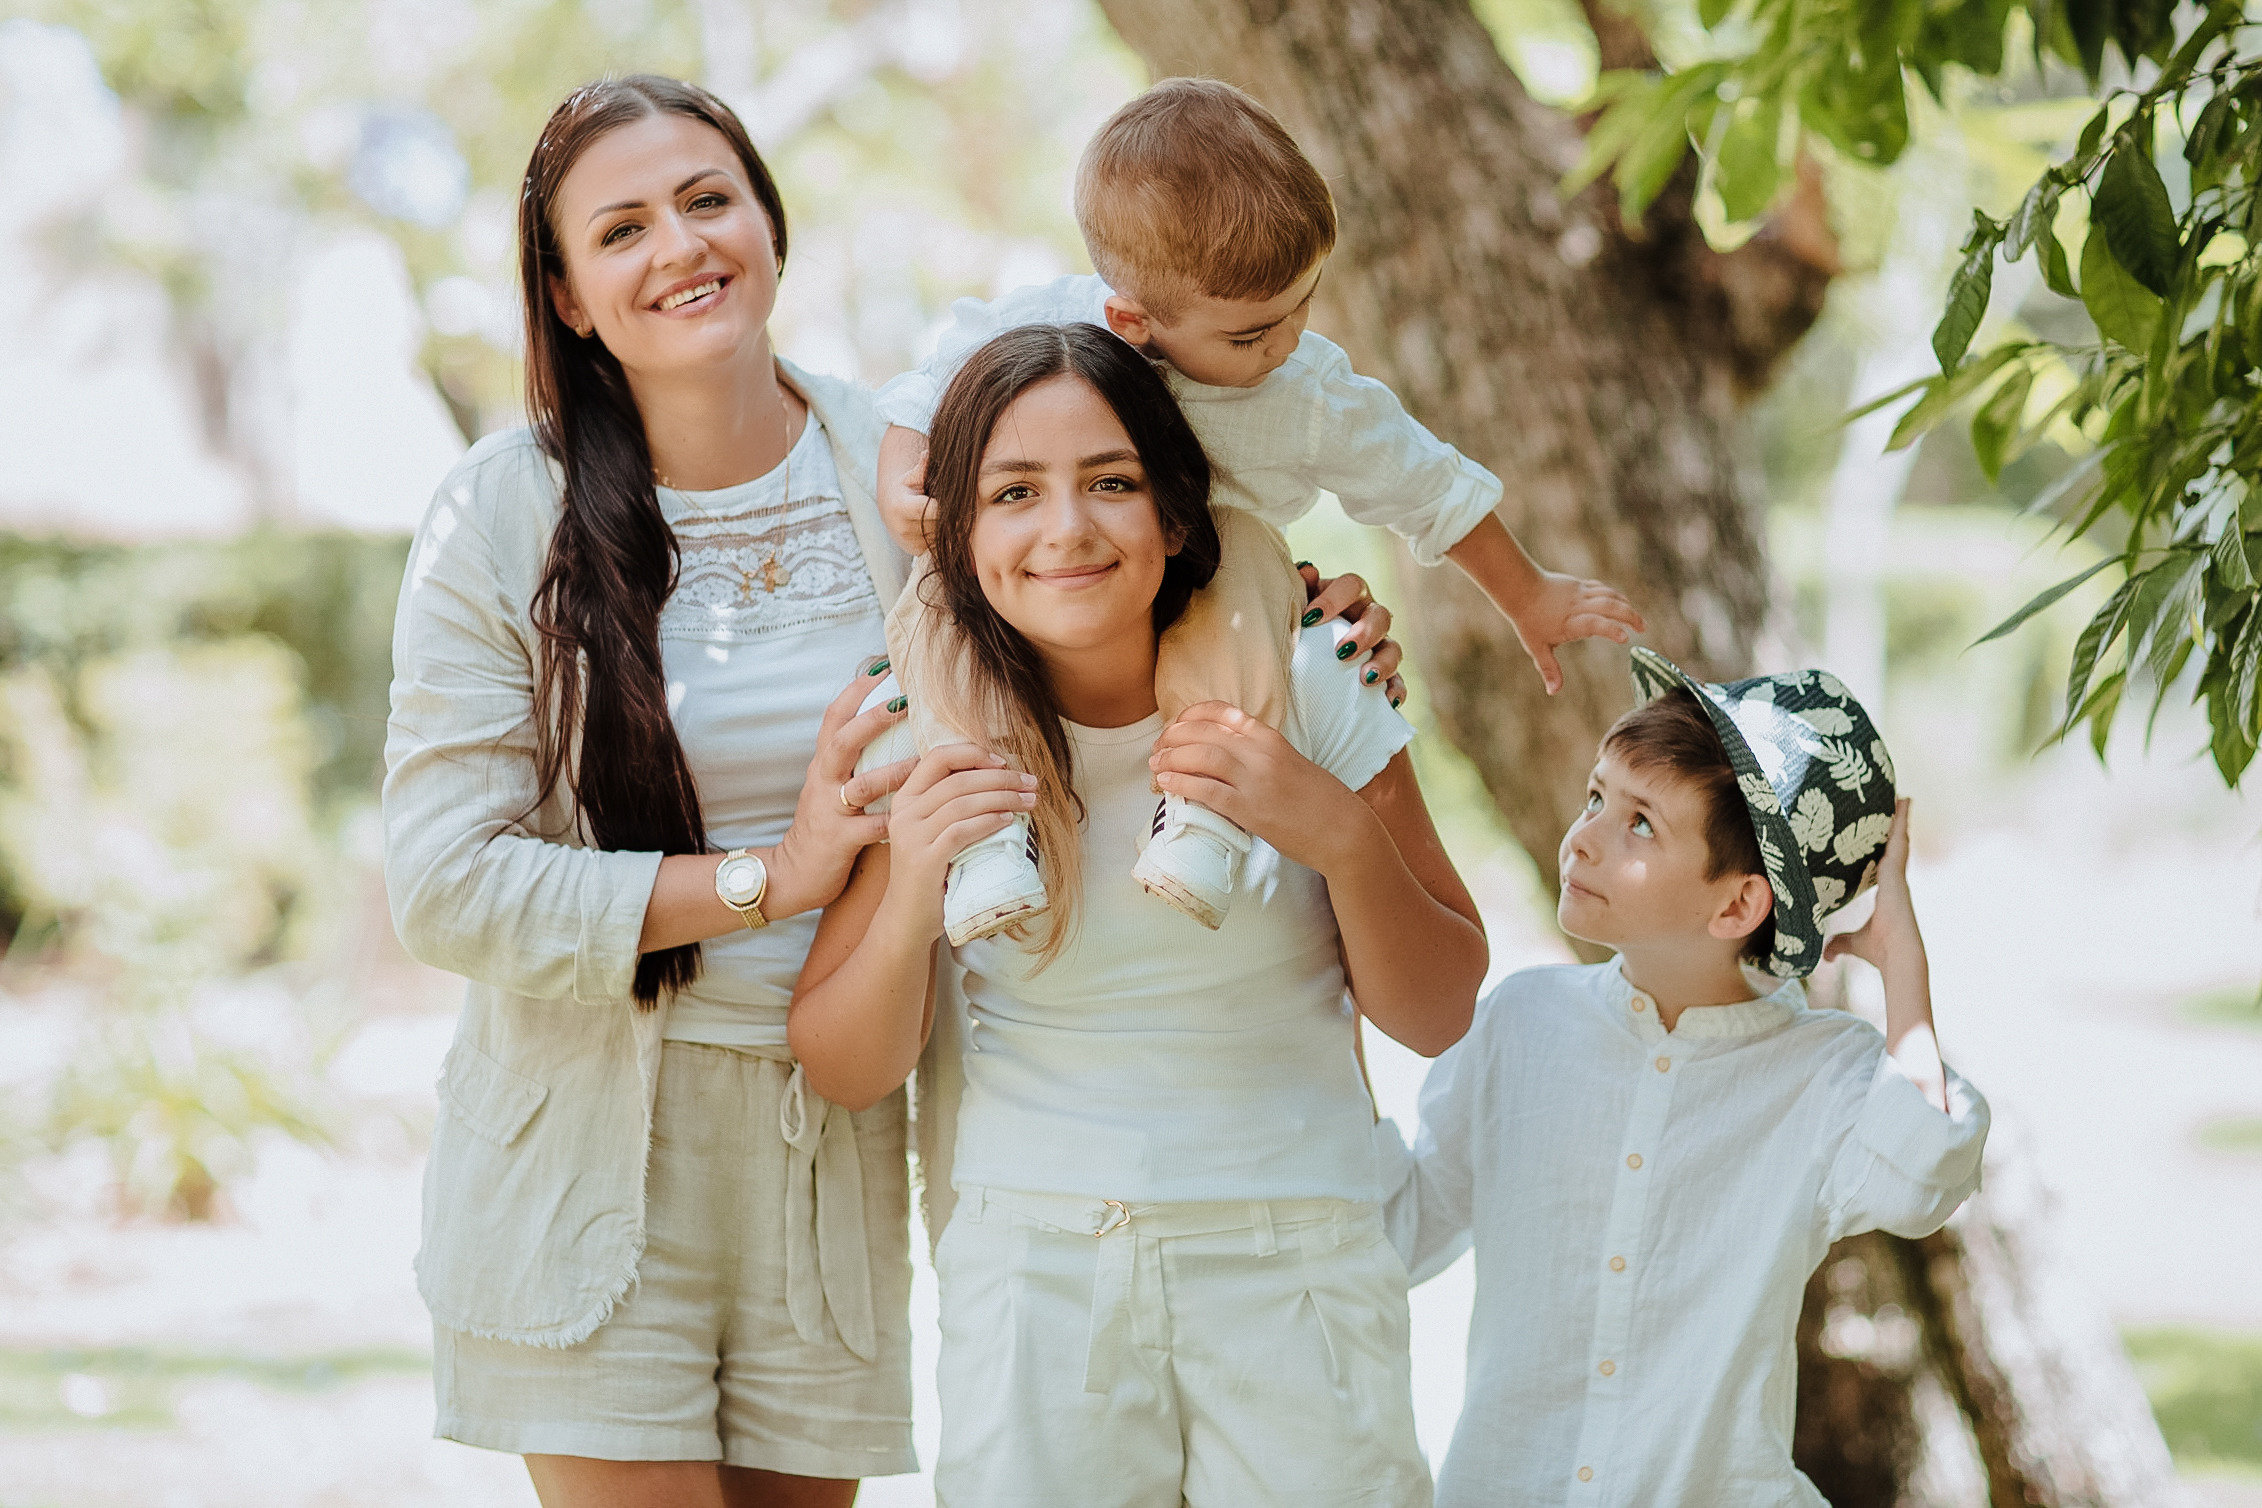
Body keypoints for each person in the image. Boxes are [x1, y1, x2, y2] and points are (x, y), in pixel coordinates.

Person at [791, 323, 1489, 1506]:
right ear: (958, 531)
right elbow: (844, 1064)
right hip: (1039, 1274)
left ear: (1176, 512)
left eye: (1111, 482)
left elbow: (1440, 1008)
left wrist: (1331, 829)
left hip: (1297, 1258)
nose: (1066, 528)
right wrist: (912, 887)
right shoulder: (926, 724)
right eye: (1014, 492)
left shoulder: (1309, 675)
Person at [383, 75, 928, 1508]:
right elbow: (444, 882)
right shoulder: (502, 511)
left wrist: (1307, 621)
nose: (678, 247)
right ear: (565, 296)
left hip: (832, 1141)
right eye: (618, 229)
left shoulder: (907, 471)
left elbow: (1110, 577)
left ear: (767, 222)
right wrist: (775, 877)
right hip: (586, 1147)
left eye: (705, 201)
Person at [867, 77, 1645, 945]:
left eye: (1302, 304)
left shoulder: (1306, 389)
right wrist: (904, 469)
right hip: (1079, 599)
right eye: (1247, 335)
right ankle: (987, 828)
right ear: (1132, 320)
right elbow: (939, 371)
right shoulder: (1062, 327)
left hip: (1214, 575)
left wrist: (1528, 593)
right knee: (936, 597)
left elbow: (1427, 481)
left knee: (1241, 551)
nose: (1283, 344)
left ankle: (1201, 812)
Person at [1377, 649, 1991, 1507]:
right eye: (1597, 797)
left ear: (1738, 906)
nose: (1583, 835)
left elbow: (1927, 1170)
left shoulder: (1823, 1077)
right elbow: (1394, 1231)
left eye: (1639, 824)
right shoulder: (1519, 1025)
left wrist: (1901, 970)